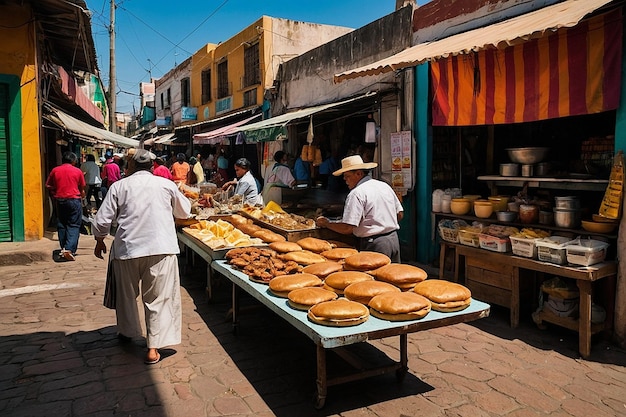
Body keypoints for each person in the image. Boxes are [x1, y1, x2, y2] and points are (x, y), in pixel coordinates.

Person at [92, 148, 192, 365]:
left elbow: (102, 219)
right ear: (152, 166)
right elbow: (184, 211)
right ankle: (153, 348)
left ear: (131, 166)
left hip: (128, 249)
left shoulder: (119, 186)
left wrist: (100, 240)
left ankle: (128, 331)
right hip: (161, 248)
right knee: (159, 299)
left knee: (126, 296)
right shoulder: (166, 185)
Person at [315, 155, 404, 262]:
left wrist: (326, 223)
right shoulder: (384, 186)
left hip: (374, 244)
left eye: (347, 176)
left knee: (374, 277)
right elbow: (400, 214)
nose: (344, 179)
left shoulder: (357, 193)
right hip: (393, 240)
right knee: (391, 275)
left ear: (358, 173)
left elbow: (348, 228)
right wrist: (383, 224)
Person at [45, 151, 86, 261]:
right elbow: (82, 188)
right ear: (73, 161)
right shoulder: (77, 171)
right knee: (73, 225)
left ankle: (64, 247)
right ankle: (69, 248)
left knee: (62, 224)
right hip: (74, 200)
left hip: (60, 200)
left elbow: (48, 185)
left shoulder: (55, 170)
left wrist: (55, 194)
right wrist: (83, 198)